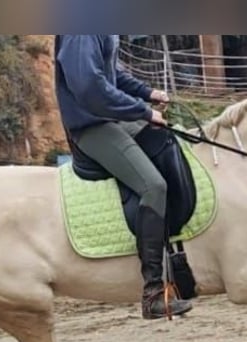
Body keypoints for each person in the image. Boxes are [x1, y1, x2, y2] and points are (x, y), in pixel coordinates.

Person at [53, 35, 193, 320]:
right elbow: (90, 88)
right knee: (153, 186)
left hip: (111, 119)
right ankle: (153, 293)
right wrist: (142, 110)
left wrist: (148, 93)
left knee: (165, 141)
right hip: (92, 127)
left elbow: (110, 75)